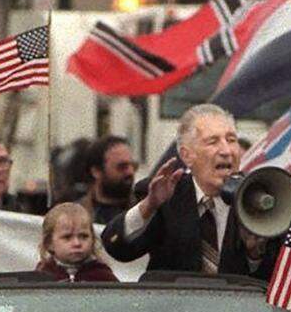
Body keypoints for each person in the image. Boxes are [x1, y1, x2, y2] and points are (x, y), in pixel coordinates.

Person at [101, 104, 275, 277]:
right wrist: (149, 206)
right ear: (186, 155)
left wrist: (255, 254)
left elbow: (276, 278)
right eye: (213, 142)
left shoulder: (259, 197)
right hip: (173, 304)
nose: (226, 151)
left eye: (231, 140)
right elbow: (117, 249)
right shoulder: (163, 194)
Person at [34, 202, 118, 282]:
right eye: (67, 237)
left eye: (84, 236)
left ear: (93, 239)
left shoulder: (103, 276)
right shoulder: (41, 276)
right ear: (49, 243)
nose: (77, 243)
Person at [79, 135, 138, 225]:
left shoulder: (142, 211)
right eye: (122, 167)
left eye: (133, 166)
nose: (130, 172)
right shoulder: (77, 214)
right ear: (96, 172)